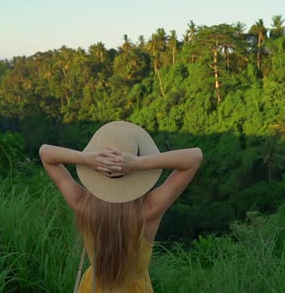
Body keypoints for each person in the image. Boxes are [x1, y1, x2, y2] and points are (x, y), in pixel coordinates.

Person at [39, 121, 203, 292]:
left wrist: (87, 159)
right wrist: (137, 163)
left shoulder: (83, 205)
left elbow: (45, 153)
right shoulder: (148, 210)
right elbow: (194, 158)